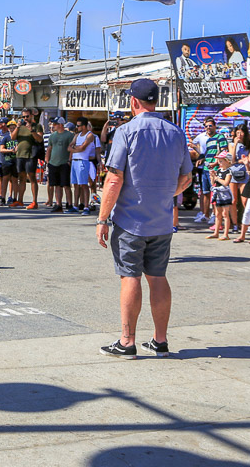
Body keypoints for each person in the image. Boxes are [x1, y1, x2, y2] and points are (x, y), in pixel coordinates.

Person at [95, 79, 192, 359]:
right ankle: (160, 341)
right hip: (161, 221)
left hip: (130, 221)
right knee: (158, 277)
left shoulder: (126, 131)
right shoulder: (176, 132)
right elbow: (186, 177)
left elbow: (114, 179)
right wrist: (165, 195)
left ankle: (127, 342)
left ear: (134, 101)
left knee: (130, 277)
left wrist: (102, 219)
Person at [191, 117, 227, 224]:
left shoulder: (220, 137)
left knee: (214, 192)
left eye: (210, 126)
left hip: (215, 169)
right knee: (205, 192)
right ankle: (205, 215)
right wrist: (201, 158)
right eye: (206, 126)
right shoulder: (209, 140)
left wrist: (215, 163)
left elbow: (224, 152)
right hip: (206, 169)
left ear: (215, 126)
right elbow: (206, 154)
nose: (208, 128)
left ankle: (215, 215)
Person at [10, 107, 43, 209]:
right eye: (23, 116)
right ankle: (20, 200)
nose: (25, 118)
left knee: (32, 178)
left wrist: (32, 130)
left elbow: (40, 139)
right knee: (21, 178)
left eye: (27, 116)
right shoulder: (20, 127)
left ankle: (34, 201)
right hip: (20, 155)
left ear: (32, 116)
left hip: (31, 155)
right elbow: (13, 137)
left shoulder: (37, 126)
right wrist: (17, 127)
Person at [69, 117, 96, 215]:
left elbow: (83, 148)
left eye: (79, 125)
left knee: (84, 185)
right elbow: (69, 147)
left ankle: (86, 206)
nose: (77, 127)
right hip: (74, 161)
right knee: (75, 185)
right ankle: (75, 205)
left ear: (84, 126)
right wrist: (76, 148)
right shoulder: (77, 135)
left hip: (83, 161)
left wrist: (75, 148)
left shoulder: (89, 136)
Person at [47, 117, 75, 213]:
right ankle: (58, 204)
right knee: (56, 185)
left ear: (60, 124)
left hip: (64, 163)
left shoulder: (69, 135)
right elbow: (49, 148)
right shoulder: (52, 136)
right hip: (53, 163)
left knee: (66, 185)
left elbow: (71, 148)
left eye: (54, 124)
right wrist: (47, 161)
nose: (52, 126)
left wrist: (69, 160)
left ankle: (70, 204)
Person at [206, 152, 233, 240]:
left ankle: (226, 234)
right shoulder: (218, 171)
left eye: (221, 161)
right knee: (218, 214)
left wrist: (217, 178)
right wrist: (212, 177)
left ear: (227, 161)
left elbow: (226, 183)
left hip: (225, 194)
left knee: (225, 214)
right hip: (217, 194)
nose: (219, 163)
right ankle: (216, 232)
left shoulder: (229, 171)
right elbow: (213, 183)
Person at [0, 118, 18, 206]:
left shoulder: (18, 138)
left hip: (15, 161)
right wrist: (10, 150)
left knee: (15, 180)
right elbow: (1, 149)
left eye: (13, 128)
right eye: (10, 128)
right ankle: (3, 197)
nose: (12, 129)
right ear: (8, 129)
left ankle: (14, 198)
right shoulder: (6, 137)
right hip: (6, 161)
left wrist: (17, 149)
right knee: (5, 179)